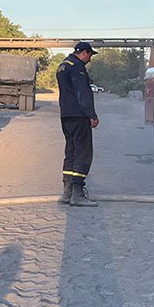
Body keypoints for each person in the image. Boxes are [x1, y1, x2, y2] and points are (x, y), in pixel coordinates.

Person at [56, 41, 99, 207]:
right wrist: (91, 114)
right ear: (85, 53)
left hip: (65, 115)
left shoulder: (62, 65)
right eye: (90, 56)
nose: (90, 59)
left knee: (71, 151)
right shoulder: (77, 67)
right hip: (78, 115)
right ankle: (78, 194)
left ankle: (67, 192)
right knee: (83, 152)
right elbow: (82, 93)